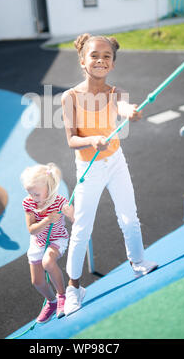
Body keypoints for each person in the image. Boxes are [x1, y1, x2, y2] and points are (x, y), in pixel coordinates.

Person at [61, 33, 158, 316]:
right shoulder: (70, 97)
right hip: (88, 168)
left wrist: (132, 112)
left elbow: (123, 107)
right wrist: (92, 140)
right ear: (82, 60)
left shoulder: (114, 93)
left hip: (116, 161)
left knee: (129, 216)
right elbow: (71, 139)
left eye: (106, 56)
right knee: (82, 228)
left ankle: (138, 262)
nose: (100, 60)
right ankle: (74, 287)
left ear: (112, 64)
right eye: (94, 55)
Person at [21, 162, 74, 323]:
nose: (33, 197)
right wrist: (47, 220)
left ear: (48, 188)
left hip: (57, 239)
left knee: (48, 262)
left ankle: (62, 296)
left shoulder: (59, 202)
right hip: (38, 242)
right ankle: (52, 302)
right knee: (37, 282)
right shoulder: (29, 203)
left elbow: (74, 219)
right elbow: (31, 229)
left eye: (36, 194)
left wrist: (71, 214)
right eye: (30, 193)